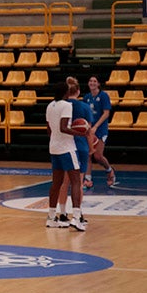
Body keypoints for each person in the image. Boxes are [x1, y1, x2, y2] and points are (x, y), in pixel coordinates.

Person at [45, 81, 89, 231]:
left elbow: (49, 130)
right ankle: (76, 218)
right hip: (67, 148)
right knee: (76, 181)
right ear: (66, 93)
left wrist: (55, 139)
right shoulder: (67, 105)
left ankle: (51, 217)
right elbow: (64, 128)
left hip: (54, 147)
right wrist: (81, 132)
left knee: (56, 183)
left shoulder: (50, 106)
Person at [55, 77, 95, 226]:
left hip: (64, 145)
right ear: (78, 91)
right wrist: (91, 148)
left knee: (65, 182)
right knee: (78, 182)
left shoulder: (60, 106)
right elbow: (88, 131)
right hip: (81, 146)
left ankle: (63, 213)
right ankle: (77, 214)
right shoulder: (84, 107)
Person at [82, 75, 116, 187]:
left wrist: (95, 126)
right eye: (90, 81)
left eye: (94, 81)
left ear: (98, 84)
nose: (92, 83)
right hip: (89, 129)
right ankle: (87, 179)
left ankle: (109, 170)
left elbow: (106, 113)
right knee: (87, 154)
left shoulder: (104, 96)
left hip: (100, 129)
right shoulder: (86, 97)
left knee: (98, 156)